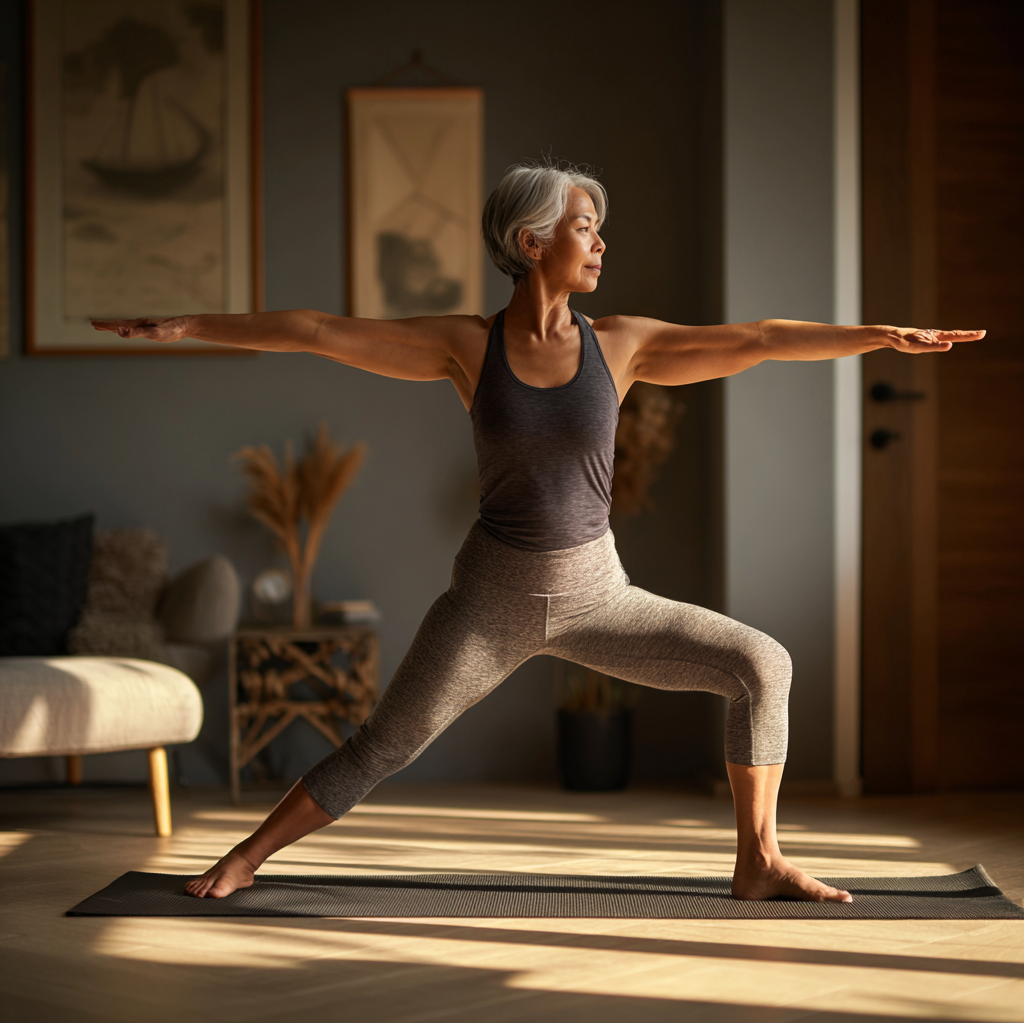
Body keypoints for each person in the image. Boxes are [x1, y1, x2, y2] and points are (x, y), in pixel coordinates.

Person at [92, 162, 982, 903]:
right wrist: (187, 323)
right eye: (585, 226)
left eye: (598, 227)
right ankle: (245, 858)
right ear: (532, 242)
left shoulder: (624, 345)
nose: (600, 242)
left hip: (601, 596)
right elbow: (321, 330)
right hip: (490, 602)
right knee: (383, 746)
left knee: (763, 664)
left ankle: (760, 859)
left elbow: (757, 338)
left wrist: (881, 336)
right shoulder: (467, 346)